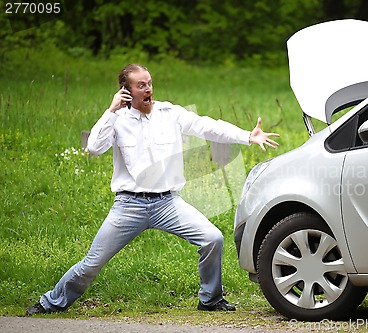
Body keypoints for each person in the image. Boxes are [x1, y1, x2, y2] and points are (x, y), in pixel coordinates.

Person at [26, 63, 280, 315]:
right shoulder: (117, 121)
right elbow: (94, 147)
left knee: (212, 238)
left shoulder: (170, 113)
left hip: (167, 203)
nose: (148, 89)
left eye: (149, 83)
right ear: (126, 91)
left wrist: (247, 136)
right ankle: (50, 302)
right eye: (141, 85)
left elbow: (207, 126)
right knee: (92, 263)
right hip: (128, 206)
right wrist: (111, 110)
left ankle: (210, 299)